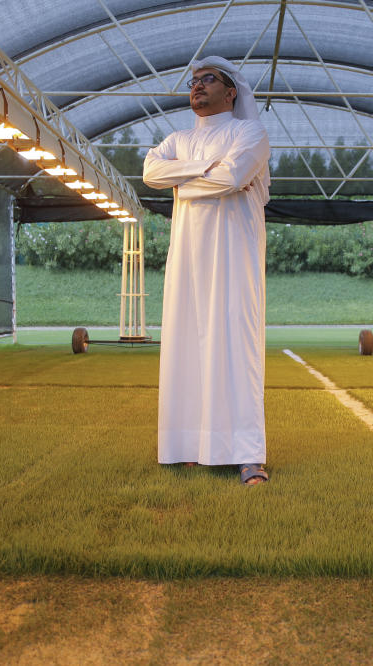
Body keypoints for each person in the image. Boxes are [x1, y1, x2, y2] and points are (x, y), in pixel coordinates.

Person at [143, 56, 271, 485]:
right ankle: (188, 445)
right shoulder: (178, 138)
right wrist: (203, 170)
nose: (197, 86)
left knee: (236, 347)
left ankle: (248, 454)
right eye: (193, 82)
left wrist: (183, 182)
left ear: (231, 92)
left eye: (208, 79)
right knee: (186, 346)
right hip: (188, 258)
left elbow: (234, 176)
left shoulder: (250, 132)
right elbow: (150, 172)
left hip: (235, 254)